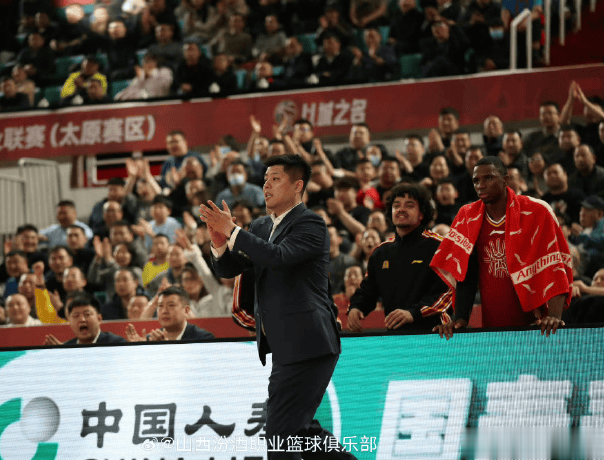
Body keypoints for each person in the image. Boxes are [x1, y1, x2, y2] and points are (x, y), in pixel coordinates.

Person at [200, 154, 354, 460]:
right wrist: (219, 242)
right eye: (265, 179)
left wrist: (233, 232)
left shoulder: (311, 223)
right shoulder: (259, 226)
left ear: (297, 186)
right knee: (299, 431)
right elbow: (230, 269)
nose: (266, 185)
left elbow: (279, 257)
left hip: (309, 341)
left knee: (281, 436)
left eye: (275, 179)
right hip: (285, 345)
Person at [431, 156, 573, 338]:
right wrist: (460, 318)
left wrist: (554, 316)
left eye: (489, 178)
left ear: (505, 180)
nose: (481, 185)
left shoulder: (537, 211)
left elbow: (554, 266)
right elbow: (465, 273)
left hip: (537, 325)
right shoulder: (467, 216)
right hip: (493, 324)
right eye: (476, 180)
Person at [347, 183, 452, 332]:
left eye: (409, 205)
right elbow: (367, 290)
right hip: (396, 335)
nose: (401, 209)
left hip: (435, 333)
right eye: (396, 205)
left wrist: (413, 313)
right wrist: (356, 307)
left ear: (421, 213)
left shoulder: (439, 246)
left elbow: (448, 292)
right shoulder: (380, 252)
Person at [125, 285, 215, 341]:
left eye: (171, 305)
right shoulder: (151, 339)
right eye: (160, 306)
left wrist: (167, 347)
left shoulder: (203, 338)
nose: (164, 311)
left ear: (186, 310)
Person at [44, 294, 126, 345]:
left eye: (87, 314)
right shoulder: (67, 347)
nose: (82, 319)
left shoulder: (117, 343)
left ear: (99, 319)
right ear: (70, 322)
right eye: (76, 316)